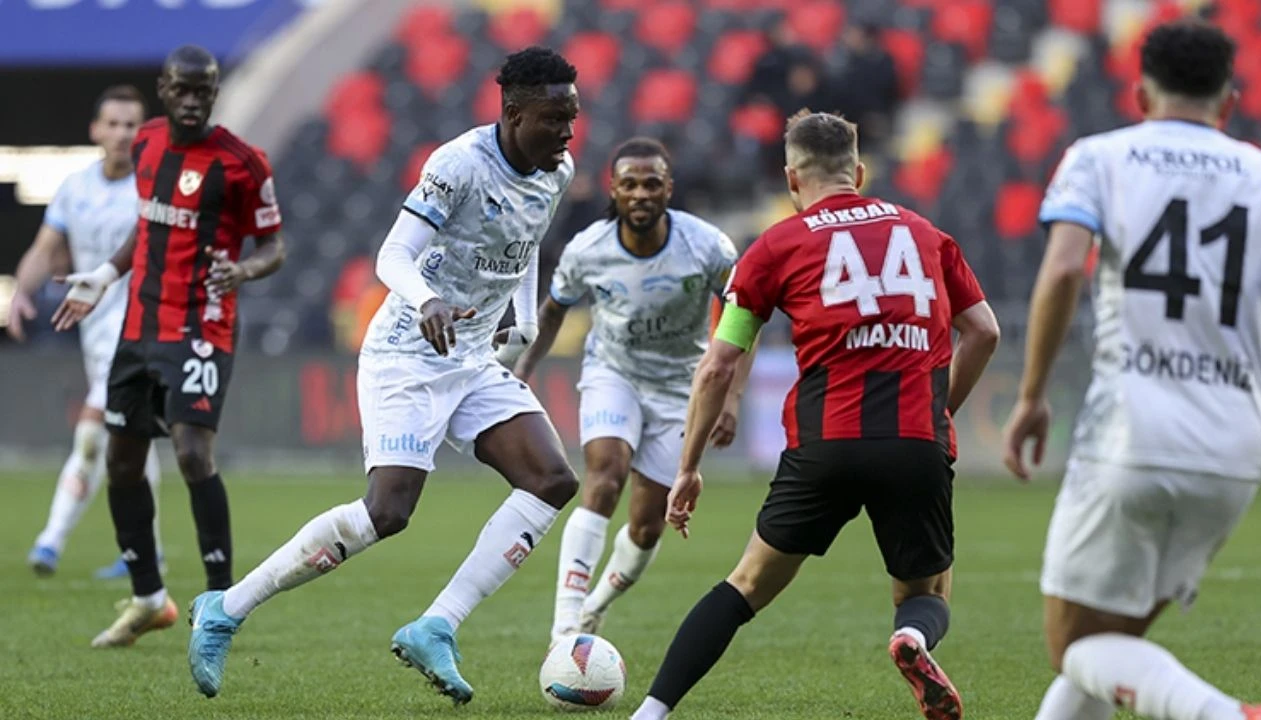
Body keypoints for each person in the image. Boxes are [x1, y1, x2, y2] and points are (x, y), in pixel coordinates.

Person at [185, 47, 581, 706]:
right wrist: (426, 301)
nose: (568, 133)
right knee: (387, 513)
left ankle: (436, 625)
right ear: (513, 113)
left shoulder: (556, 168)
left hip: (473, 355)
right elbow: (392, 254)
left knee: (552, 480)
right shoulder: (458, 166)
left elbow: (529, 239)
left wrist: (527, 317)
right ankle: (225, 608)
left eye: (573, 117)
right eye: (554, 118)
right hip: (406, 352)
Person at [630, 110, 1000, 720]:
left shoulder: (777, 244)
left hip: (825, 447)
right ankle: (912, 639)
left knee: (746, 584)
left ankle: (652, 712)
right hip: (914, 439)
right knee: (925, 593)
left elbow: (718, 365)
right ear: (857, 171)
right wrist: (940, 410)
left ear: (791, 179)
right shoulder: (926, 234)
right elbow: (984, 331)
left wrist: (688, 467)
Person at [1003, 20, 1261, 720]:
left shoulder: (1101, 157)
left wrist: (1033, 395)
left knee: (1073, 646)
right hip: (1236, 444)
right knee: (1112, 640)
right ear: (1229, 100)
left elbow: (1066, 267)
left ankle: (1222, 715)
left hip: (1134, 431)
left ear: (1141, 93)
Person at [51, 45, 287, 647]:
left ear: (214, 92)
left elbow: (273, 246)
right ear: (164, 88)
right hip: (139, 327)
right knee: (121, 461)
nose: (190, 100)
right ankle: (150, 598)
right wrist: (105, 276)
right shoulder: (149, 143)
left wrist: (244, 272)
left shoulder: (242, 162)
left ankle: (220, 603)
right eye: (180, 89)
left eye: (201, 90)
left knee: (190, 453)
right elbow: (150, 225)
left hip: (202, 326)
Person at [510, 137, 752, 643]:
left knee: (646, 527)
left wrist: (729, 396)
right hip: (612, 373)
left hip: (680, 388)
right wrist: (523, 370)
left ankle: (597, 604)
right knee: (605, 475)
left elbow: (744, 315)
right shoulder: (588, 249)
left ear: (668, 188)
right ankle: (564, 628)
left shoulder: (707, 247)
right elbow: (554, 309)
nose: (640, 193)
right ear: (614, 191)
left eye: (650, 183)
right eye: (629, 184)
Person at [11, 85, 164, 581]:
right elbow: (44, 248)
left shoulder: (152, 189)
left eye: (132, 125)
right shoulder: (74, 188)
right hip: (95, 334)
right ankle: (148, 550)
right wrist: (19, 292)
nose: (122, 133)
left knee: (93, 434)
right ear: (96, 130)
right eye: (113, 124)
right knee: (129, 439)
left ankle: (50, 540)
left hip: (143, 331)